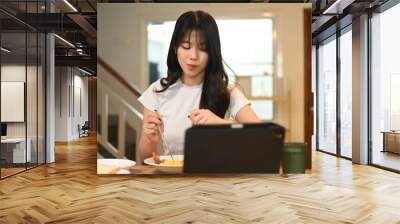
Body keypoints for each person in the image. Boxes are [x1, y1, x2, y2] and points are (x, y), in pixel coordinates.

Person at [138, 10, 261, 163]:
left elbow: (262, 136)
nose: (193, 56)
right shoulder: (157, 91)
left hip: (218, 180)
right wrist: (150, 140)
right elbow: (144, 160)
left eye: (202, 48)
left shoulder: (228, 91)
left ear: (212, 53)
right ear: (175, 47)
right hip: (173, 181)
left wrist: (220, 123)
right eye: (186, 46)